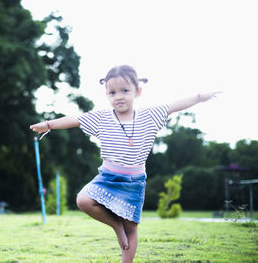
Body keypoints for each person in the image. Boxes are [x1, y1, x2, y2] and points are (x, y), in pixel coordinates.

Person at [29, 65, 219, 263]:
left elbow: (174, 105)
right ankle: (115, 226)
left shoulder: (149, 116)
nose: (118, 96)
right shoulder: (102, 118)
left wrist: (199, 97)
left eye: (125, 91)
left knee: (131, 228)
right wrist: (49, 125)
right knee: (83, 200)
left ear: (138, 92)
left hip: (133, 182)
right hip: (108, 177)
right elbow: (75, 119)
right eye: (112, 92)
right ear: (106, 94)